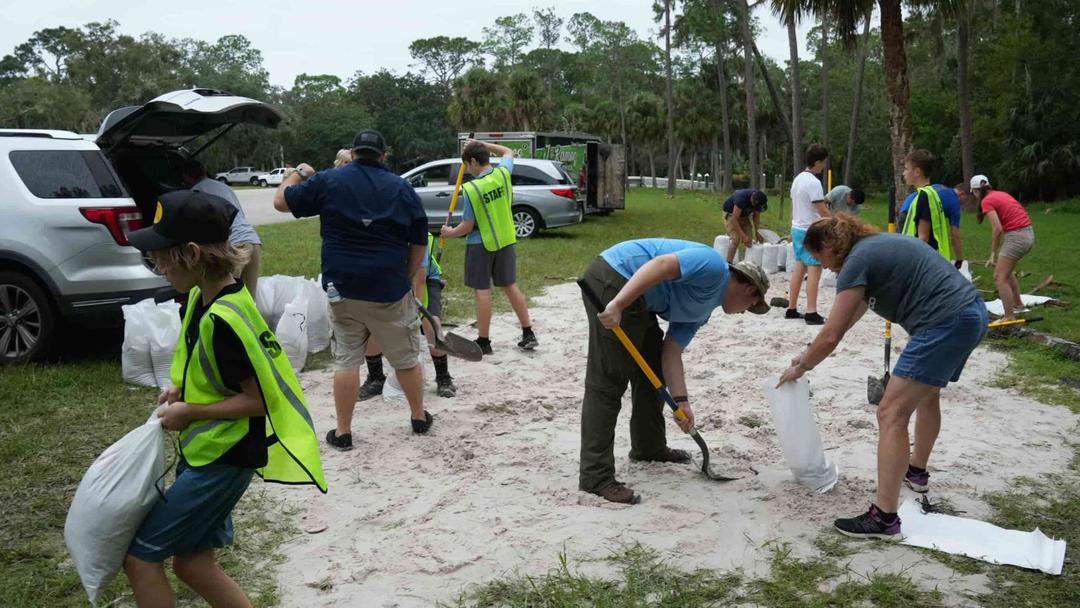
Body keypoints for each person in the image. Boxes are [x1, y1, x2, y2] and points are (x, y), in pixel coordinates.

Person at [123, 190, 326, 607]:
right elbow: (207, 363)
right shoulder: (203, 298)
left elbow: (259, 402)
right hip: (212, 453)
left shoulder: (226, 319)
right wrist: (180, 387)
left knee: (141, 557)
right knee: (192, 563)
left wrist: (190, 411)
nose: (158, 267)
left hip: (223, 459)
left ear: (193, 253)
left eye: (161, 257)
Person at [777, 215, 986, 540]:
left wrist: (802, 366)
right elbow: (843, 323)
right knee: (926, 394)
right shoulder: (872, 250)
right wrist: (807, 352)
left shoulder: (856, 262)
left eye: (820, 259)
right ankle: (915, 472)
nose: (825, 267)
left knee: (890, 412)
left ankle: (884, 518)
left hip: (944, 321)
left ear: (832, 247)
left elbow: (830, 335)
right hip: (969, 314)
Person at [273, 129, 434, 450]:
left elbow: (280, 201)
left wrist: (298, 172)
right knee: (405, 358)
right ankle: (418, 417)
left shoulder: (330, 181)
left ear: (354, 152)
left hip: (341, 289)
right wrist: (405, 277)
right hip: (389, 289)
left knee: (347, 360)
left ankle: (343, 432)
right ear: (384, 156)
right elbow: (418, 242)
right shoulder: (402, 188)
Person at [579, 238, 770, 504]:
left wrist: (683, 403)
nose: (745, 312)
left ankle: (648, 447)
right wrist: (619, 304)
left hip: (640, 299)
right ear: (750, 290)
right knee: (608, 381)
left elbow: (671, 353)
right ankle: (595, 477)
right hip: (615, 277)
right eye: (751, 306)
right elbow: (662, 264)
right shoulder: (714, 267)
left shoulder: (701, 313)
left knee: (653, 372)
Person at [440, 139, 537, 354]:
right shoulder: (503, 173)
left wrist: (449, 233)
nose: (466, 169)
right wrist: (482, 143)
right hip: (505, 240)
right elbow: (507, 151)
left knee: (482, 291)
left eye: (466, 164)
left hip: (480, 244)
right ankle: (528, 332)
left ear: (474, 161)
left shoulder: (472, 188)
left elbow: (467, 226)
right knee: (510, 286)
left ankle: (484, 341)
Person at [359, 232, 458, 400]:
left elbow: (419, 281)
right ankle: (376, 378)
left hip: (424, 280)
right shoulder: (375, 232)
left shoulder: (416, 234)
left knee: (431, 325)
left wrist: (412, 315)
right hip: (390, 280)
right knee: (372, 325)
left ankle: (443, 378)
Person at [181, 158, 263, 294]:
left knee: (225, 296)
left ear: (186, 176)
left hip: (235, 245)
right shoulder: (223, 186)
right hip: (252, 240)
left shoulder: (196, 193)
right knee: (248, 299)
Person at [971, 174, 1035, 320]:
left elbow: (997, 228)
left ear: (975, 191)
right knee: (1006, 271)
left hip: (1017, 237)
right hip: (1027, 234)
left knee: (999, 277)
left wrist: (992, 253)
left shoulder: (986, 201)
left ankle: (1009, 316)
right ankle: (1018, 304)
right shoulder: (1000, 194)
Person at [785, 144, 831, 325]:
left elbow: (793, 205)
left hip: (796, 227)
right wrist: (837, 222)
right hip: (809, 230)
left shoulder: (798, 179)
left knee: (799, 267)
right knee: (815, 268)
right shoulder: (813, 182)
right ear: (818, 162)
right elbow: (821, 209)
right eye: (823, 162)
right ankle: (811, 311)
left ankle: (792, 308)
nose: (824, 165)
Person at [900, 149, 953, 261]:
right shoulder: (932, 193)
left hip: (925, 261)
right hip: (934, 258)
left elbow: (923, 237)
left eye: (906, 169)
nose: (903, 173)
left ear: (917, 172)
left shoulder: (923, 197)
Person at [899, 181, 964, 268]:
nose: (965, 204)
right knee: (924, 246)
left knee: (908, 246)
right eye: (967, 200)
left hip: (905, 209)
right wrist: (959, 259)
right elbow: (954, 235)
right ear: (962, 194)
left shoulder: (940, 186)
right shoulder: (954, 201)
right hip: (916, 211)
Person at [721, 188, 767, 263]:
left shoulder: (759, 201)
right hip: (730, 215)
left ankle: (747, 264)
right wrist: (743, 235)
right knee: (736, 239)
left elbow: (756, 217)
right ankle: (728, 264)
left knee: (749, 241)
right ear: (752, 200)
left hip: (744, 216)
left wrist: (758, 232)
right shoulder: (741, 199)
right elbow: (734, 219)